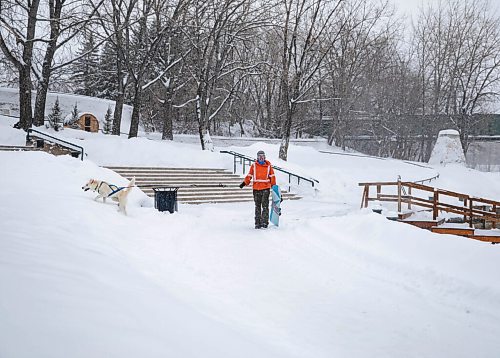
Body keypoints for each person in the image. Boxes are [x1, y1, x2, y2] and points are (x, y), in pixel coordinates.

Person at [239, 150, 276, 229]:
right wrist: (244, 183)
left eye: (262, 156)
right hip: (256, 189)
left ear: (264, 157)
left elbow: (272, 177)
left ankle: (264, 223)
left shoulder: (269, 166)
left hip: (266, 188)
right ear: (257, 157)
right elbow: (249, 175)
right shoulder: (254, 166)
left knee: (265, 206)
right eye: (259, 156)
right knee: (257, 206)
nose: (261, 158)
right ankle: (257, 223)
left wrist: (274, 187)